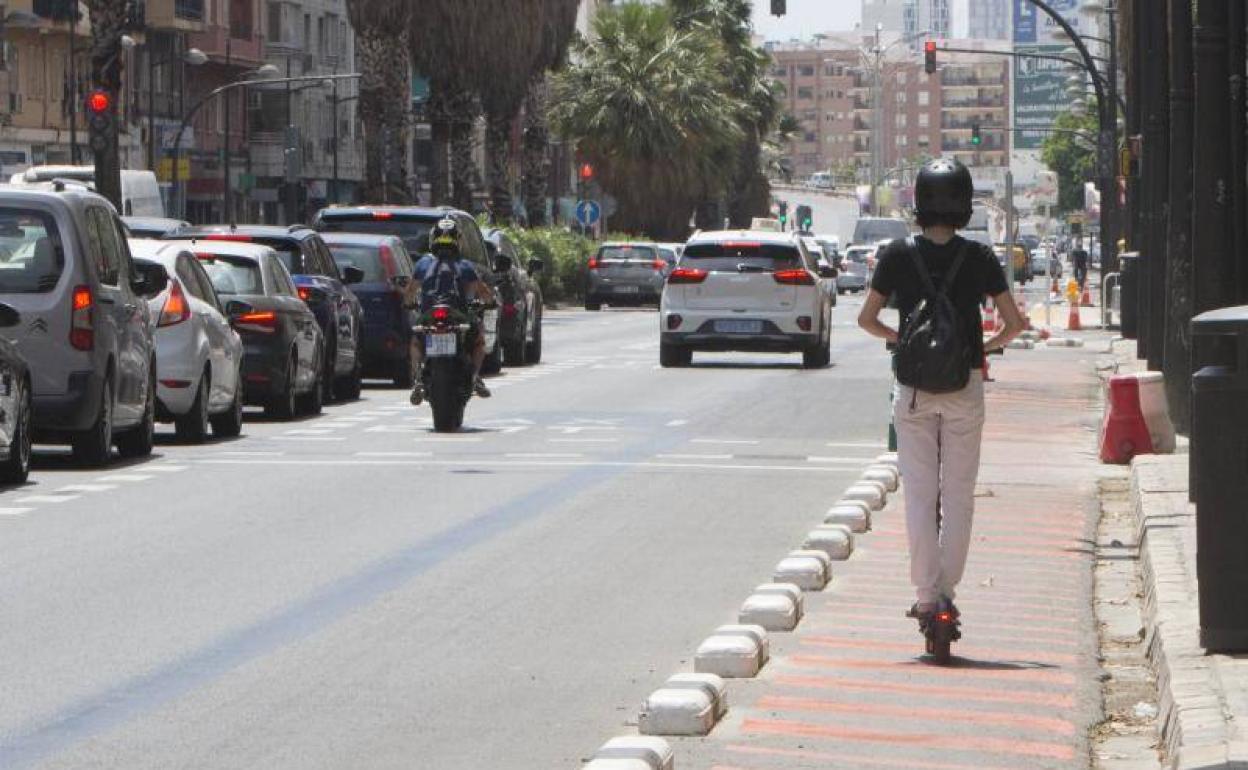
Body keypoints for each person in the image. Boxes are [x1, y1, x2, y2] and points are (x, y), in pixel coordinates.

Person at [857, 158, 1025, 621]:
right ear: (966, 205)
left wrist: (902, 339)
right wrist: (982, 347)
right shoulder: (979, 257)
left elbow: (866, 319)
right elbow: (1014, 324)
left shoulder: (895, 254)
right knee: (958, 493)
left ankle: (926, 596)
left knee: (919, 493)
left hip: (912, 389)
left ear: (918, 202)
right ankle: (948, 589)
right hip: (964, 385)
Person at [405, 218, 494, 405]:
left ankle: (418, 379)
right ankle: (475, 377)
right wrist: (491, 302)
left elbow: (410, 292)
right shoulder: (465, 265)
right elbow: (484, 292)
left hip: (428, 314)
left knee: (415, 341)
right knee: (479, 341)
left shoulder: (423, 263)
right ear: (458, 241)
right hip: (458, 315)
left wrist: (409, 304)